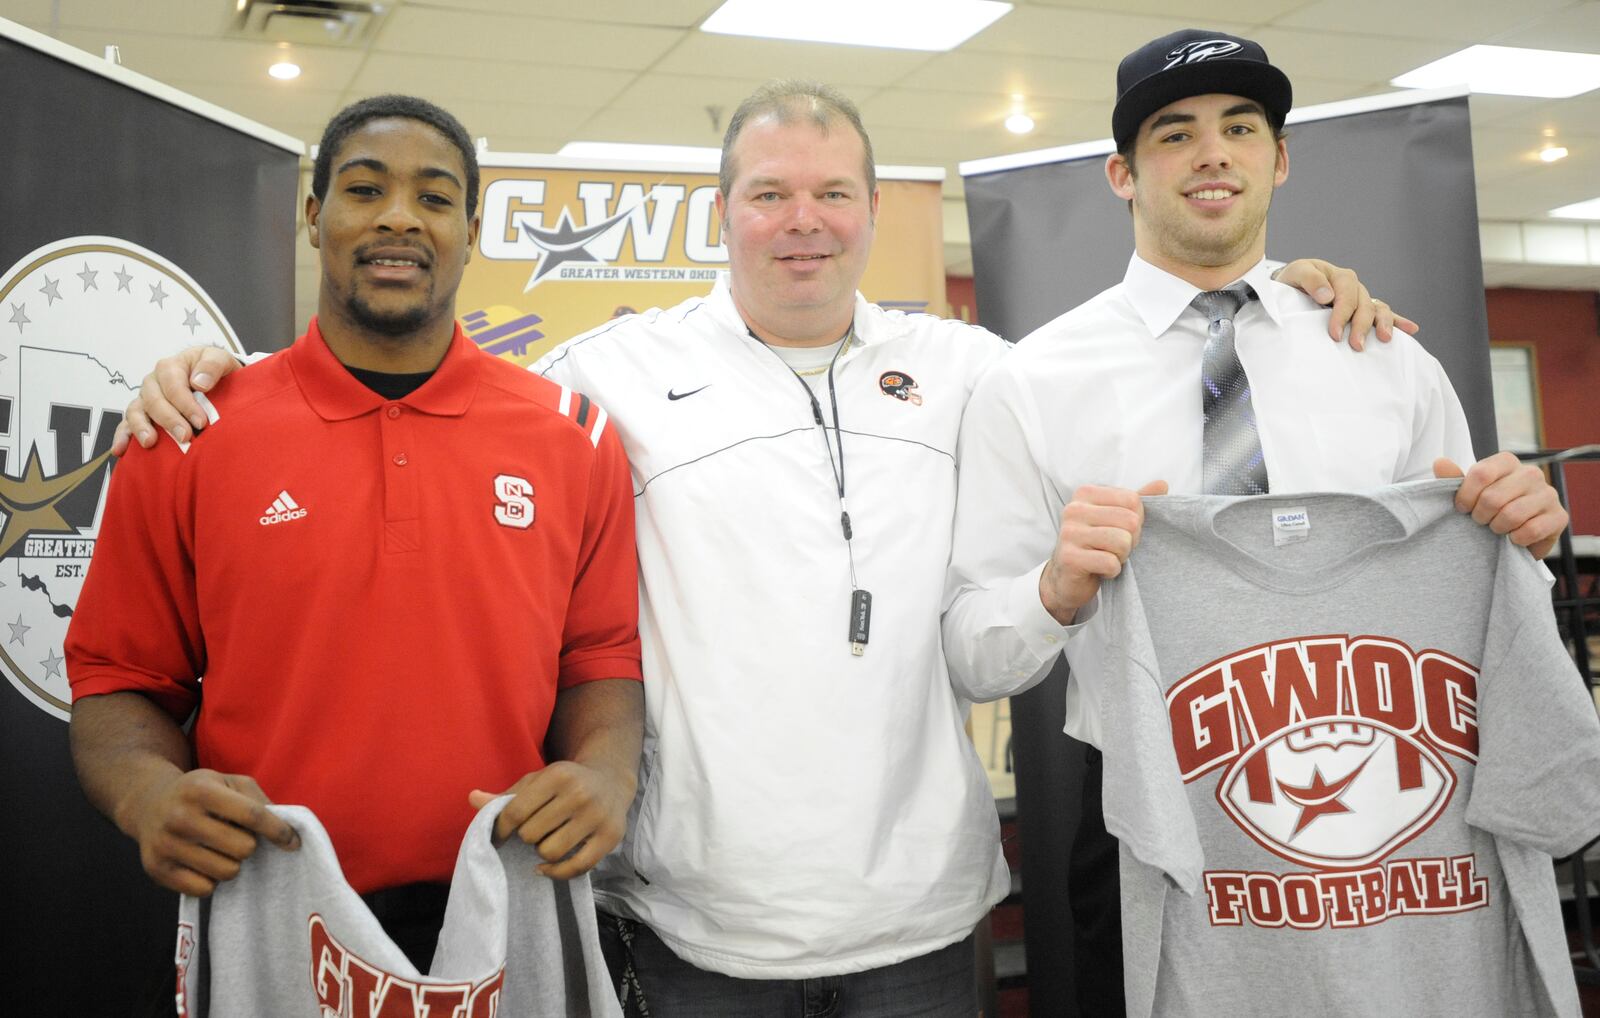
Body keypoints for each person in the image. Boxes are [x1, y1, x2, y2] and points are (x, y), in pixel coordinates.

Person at [117, 81, 1405, 1016]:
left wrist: (1282, 295)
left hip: (918, 915)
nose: (805, 221)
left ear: (871, 208)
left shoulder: (971, 370)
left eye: (833, 193)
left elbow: (1134, 371)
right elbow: (418, 384)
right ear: (718, 211)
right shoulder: (605, 375)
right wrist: (213, 375)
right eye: (771, 194)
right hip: (688, 922)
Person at [941, 29, 1569, 1014]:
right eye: (1173, 133)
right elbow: (974, 652)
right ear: (1121, 171)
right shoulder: (1031, 381)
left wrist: (1519, 533)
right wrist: (1053, 591)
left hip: (1388, 807)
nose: (1211, 153)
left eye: (1240, 127)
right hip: (1146, 816)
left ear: (1278, 158)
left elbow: (1477, 587)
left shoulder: (1381, 355)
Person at [66, 94, 644, 976]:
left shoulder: (574, 438)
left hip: (506, 912)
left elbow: (600, 658)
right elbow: (117, 682)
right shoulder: (190, 434)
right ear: (313, 216)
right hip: (267, 911)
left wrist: (607, 774)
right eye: (365, 189)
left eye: (437, 198)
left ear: (472, 228)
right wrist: (149, 795)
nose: (400, 218)